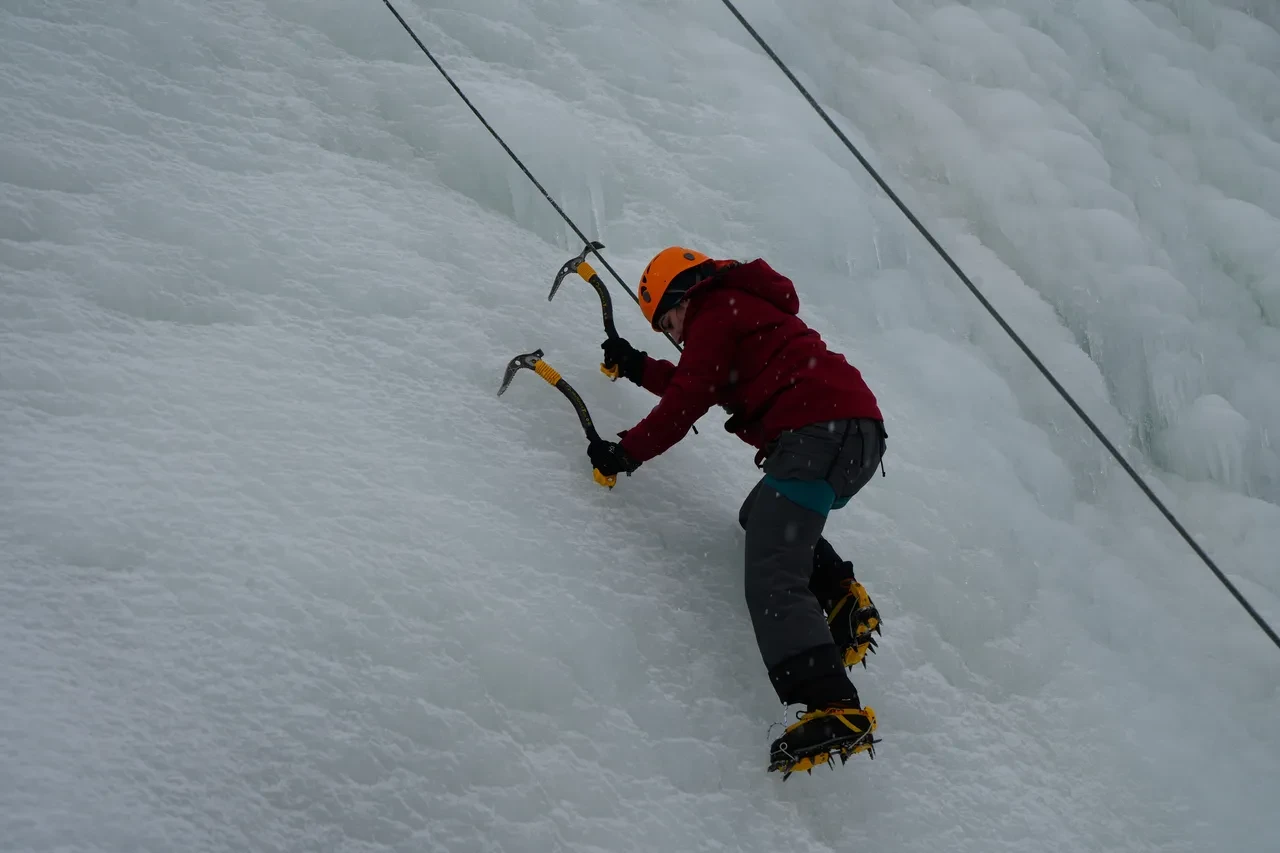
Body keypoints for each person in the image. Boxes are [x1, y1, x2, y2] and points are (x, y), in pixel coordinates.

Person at [587, 246, 888, 774]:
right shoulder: (735, 310)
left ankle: (833, 706)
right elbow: (703, 382)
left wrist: (625, 452)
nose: (674, 335)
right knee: (764, 518)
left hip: (817, 429)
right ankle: (841, 598)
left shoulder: (716, 308)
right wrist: (637, 366)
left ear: (684, 294)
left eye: (669, 321)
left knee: (773, 569)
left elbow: (688, 398)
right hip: (854, 434)